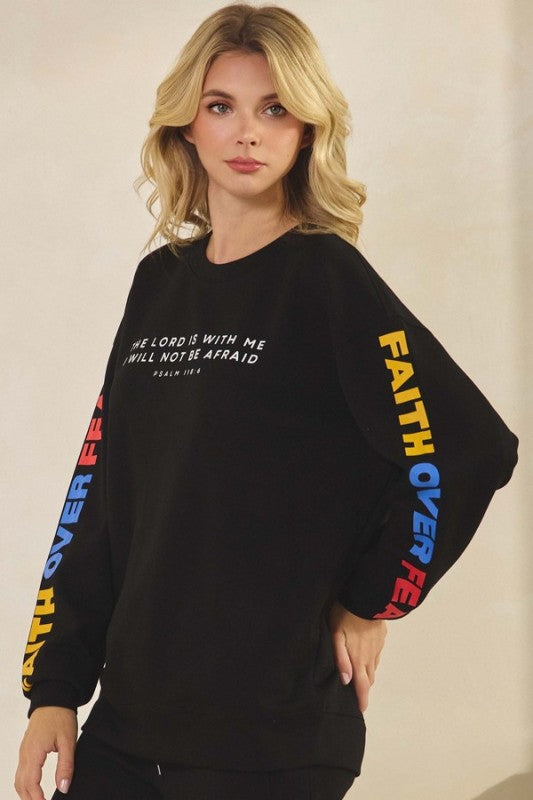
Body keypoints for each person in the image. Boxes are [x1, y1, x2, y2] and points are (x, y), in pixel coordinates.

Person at [14, 4, 518, 800]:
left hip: (272, 741)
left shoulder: (326, 280)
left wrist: (374, 599)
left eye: (275, 108)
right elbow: (100, 490)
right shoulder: (160, 284)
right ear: (186, 125)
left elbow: (466, 451)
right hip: (127, 730)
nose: (247, 133)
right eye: (222, 106)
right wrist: (54, 687)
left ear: (307, 129)